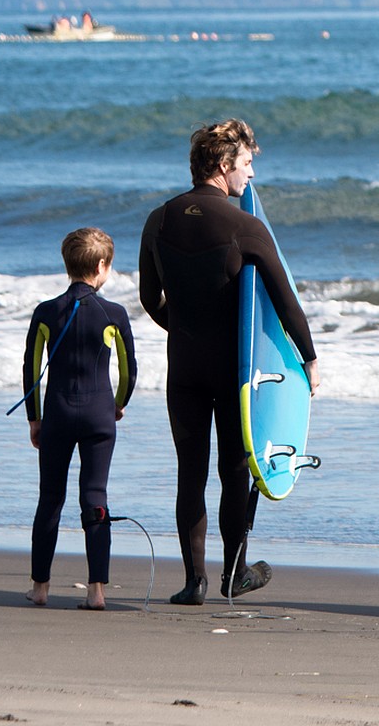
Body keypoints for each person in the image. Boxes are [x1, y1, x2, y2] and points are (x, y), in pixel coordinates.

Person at [138, 119, 320, 605]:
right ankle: (233, 575)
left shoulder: (158, 219)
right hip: (234, 372)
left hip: (185, 368)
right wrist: (309, 359)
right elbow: (285, 303)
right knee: (236, 470)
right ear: (223, 166)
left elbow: (149, 298)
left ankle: (193, 582)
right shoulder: (245, 226)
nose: (251, 174)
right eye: (247, 164)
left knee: (190, 471)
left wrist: (184, 332)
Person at [22, 227, 136, 610]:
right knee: (95, 496)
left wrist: (34, 419)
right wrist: (118, 405)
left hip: (56, 414)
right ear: (102, 266)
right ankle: (97, 591)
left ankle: (40, 588)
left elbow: (30, 368)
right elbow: (129, 369)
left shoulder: (45, 312)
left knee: (50, 498)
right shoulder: (114, 313)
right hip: (99, 416)